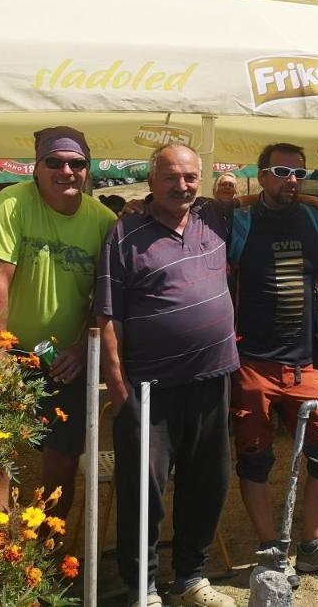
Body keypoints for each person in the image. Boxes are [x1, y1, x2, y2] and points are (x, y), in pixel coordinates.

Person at [95, 144, 237, 607]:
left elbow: (290, 200)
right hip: (148, 389)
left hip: (212, 379)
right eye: (172, 177)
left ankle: (190, 579)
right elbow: (108, 317)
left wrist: (233, 193)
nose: (182, 186)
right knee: (144, 493)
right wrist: (119, 389)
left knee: (207, 483)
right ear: (151, 180)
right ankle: (144, 589)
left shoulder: (214, 220)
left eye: (191, 177)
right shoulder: (124, 234)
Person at [230, 143, 318, 583]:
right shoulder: (243, 220)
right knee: (255, 457)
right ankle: (270, 549)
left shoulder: (310, 219)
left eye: (299, 173)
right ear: (262, 174)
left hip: (303, 363)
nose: (292, 179)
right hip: (251, 361)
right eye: (282, 171)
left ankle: (312, 545)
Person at [0, 126, 116, 519]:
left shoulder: (104, 220)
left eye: (77, 163)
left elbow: (103, 300)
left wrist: (82, 349)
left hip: (65, 359)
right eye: (54, 162)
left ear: (88, 170)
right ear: (36, 168)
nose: (66, 171)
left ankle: (45, 550)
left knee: (63, 460)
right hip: (11, 350)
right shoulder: (13, 202)